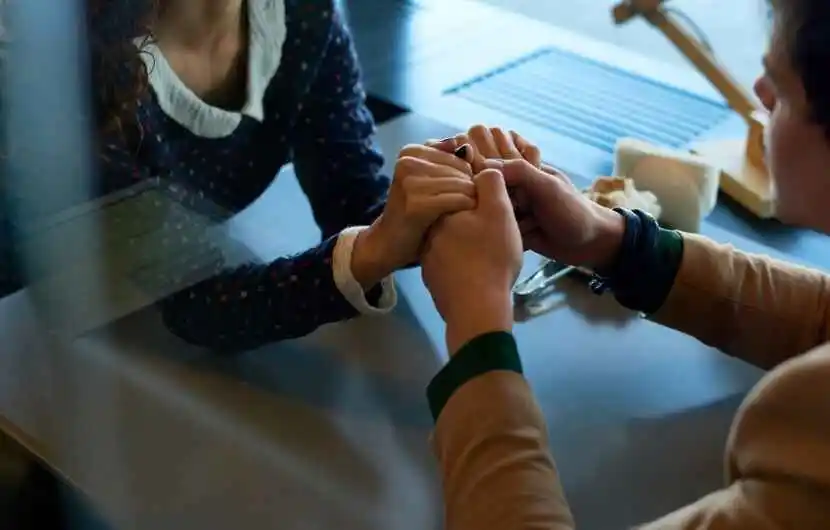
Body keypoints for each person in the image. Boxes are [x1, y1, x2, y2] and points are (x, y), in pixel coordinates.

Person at [420, 0, 830, 527]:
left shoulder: (810, 417)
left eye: (783, 89)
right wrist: (615, 240)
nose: (759, 93)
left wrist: (478, 326)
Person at [0, 0, 493, 351]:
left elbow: (352, 199)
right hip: (29, 329)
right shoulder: (74, 65)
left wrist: (463, 189)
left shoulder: (300, 16)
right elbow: (200, 302)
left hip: (122, 322)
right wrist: (379, 246)